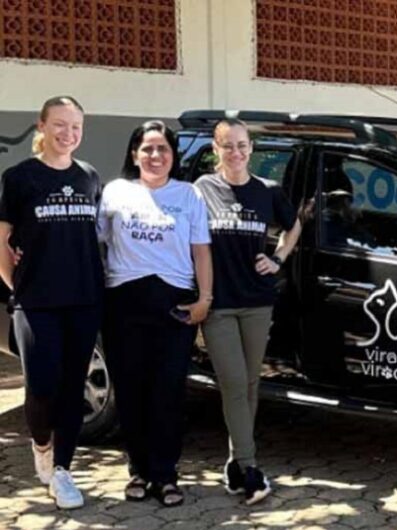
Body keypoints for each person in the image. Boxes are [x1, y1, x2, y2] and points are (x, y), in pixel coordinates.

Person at [98, 120, 213, 507]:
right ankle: (138, 471)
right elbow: (92, 242)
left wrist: (205, 299)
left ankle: (165, 475)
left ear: (173, 156)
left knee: (168, 391)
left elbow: (201, 251)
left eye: (163, 148)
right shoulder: (115, 192)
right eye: (147, 148)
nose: (155, 155)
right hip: (123, 303)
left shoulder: (189, 195)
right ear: (134, 154)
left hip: (174, 305)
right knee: (131, 391)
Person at [0, 96, 104, 509]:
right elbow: (2, 240)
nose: (68, 133)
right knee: (42, 385)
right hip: (35, 301)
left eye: (76, 126)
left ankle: (62, 469)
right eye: (59, 124)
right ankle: (41, 444)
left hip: (83, 299)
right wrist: (17, 285)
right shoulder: (19, 178)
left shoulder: (89, 177)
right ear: (41, 126)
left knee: (72, 387)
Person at [194, 119, 301, 505]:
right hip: (219, 303)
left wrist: (277, 258)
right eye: (227, 146)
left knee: (251, 383)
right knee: (235, 383)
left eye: (241, 145)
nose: (235, 153)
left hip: (257, 301)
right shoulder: (202, 189)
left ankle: (233, 464)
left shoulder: (267, 191)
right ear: (216, 149)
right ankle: (250, 467)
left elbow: (294, 226)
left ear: (251, 148)